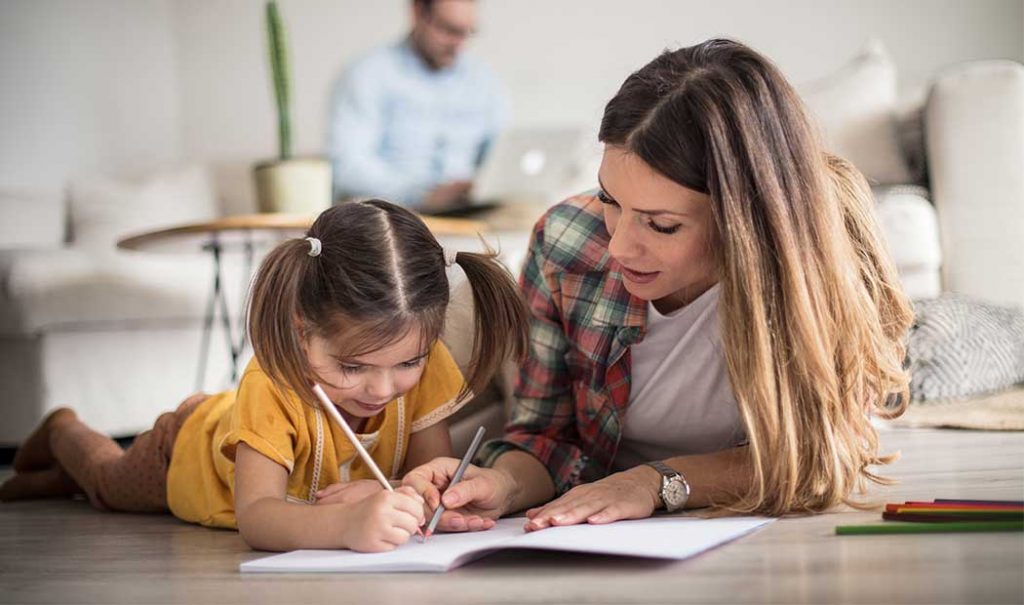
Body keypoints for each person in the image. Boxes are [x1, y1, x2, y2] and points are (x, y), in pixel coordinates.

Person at [403, 39, 914, 530]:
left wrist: (656, 483)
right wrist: (500, 484)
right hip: (608, 523)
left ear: (743, 218)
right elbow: (547, 438)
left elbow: (820, 459)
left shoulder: (822, 257)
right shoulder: (566, 242)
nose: (620, 246)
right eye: (609, 200)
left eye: (661, 224)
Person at [0, 200, 530, 552]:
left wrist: (420, 493)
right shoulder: (272, 382)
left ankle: (49, 482)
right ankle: (63, 428)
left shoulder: (425, 366)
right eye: (352, 366)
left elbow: (418, 474)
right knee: (103, 485)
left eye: (407, 364)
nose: (382, 388)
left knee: (64, 491)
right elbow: (257, 516)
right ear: (302, 332)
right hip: (182, 456)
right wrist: (347, 524)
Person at [327, 0, 509, 212]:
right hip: (394, 220)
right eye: (449, 30)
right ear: (417, 12)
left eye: (467, 32)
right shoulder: (368, 74)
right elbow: (346, 168)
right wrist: (422, 194)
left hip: (468, 218)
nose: (458, 43)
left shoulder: (483, 79)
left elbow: (499, 153)